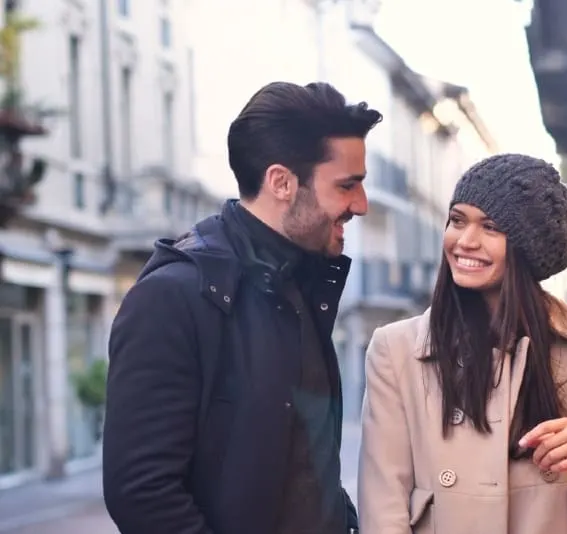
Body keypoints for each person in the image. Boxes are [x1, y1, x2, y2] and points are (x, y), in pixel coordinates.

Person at [103, 81, 382, 534]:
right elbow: (141, 492)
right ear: (281, 182)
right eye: (347, 186)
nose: (361, 205)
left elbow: (305, 460)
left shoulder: (300, 285)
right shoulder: (173, 297)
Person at [357, 154, 567, 534]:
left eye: (490, 227)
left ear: (525, 248)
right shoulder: (395, 351)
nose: (464, 241)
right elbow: (384, 515)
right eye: (457, 220)